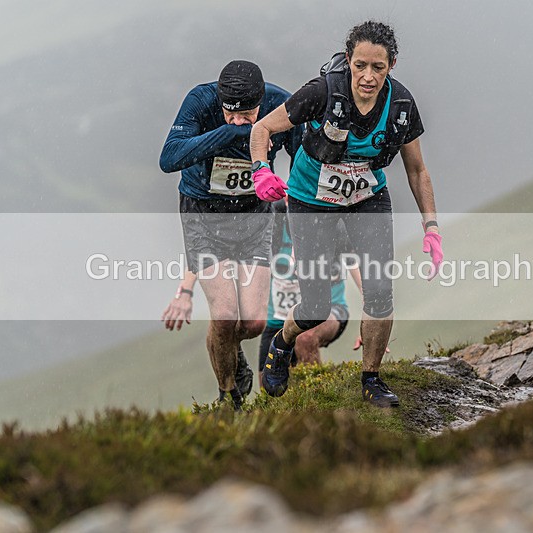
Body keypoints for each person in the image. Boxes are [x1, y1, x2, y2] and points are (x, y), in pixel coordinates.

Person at [249, 21, 444, 408]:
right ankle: (282, 342)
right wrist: (261, 171)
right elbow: (262, 129)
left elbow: (417, 169)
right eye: (360, 66)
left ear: (391, 66)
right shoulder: (323, 91)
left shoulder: (401, 106)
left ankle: (371, 379)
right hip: (310, 199)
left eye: (378, 68)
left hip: (366, 198)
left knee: (379, 291)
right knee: (315, 306)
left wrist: (432, 226)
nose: (368, 77)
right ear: (349, 61)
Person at [159, 60, 302, 410]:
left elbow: (302, 154)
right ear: (220, 101)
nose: (238, 120)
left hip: (254, 216)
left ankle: (228, 346)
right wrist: (234, 134)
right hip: (202, 215)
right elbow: (169, 158)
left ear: (261, 102)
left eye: (247, 115)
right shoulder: (200, 100)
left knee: (252, 321)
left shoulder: (279, 104)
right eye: (229, 113)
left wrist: (291, 192)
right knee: (224, 316)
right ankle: (229, 397)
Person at [258, 199, 362, 383]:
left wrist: (372, 320)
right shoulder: (274, 219)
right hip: (278, 318)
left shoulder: (332, 221)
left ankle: (318, 398)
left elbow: (358, 270)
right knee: (268, 387)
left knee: (305, 337)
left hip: (329, 311)